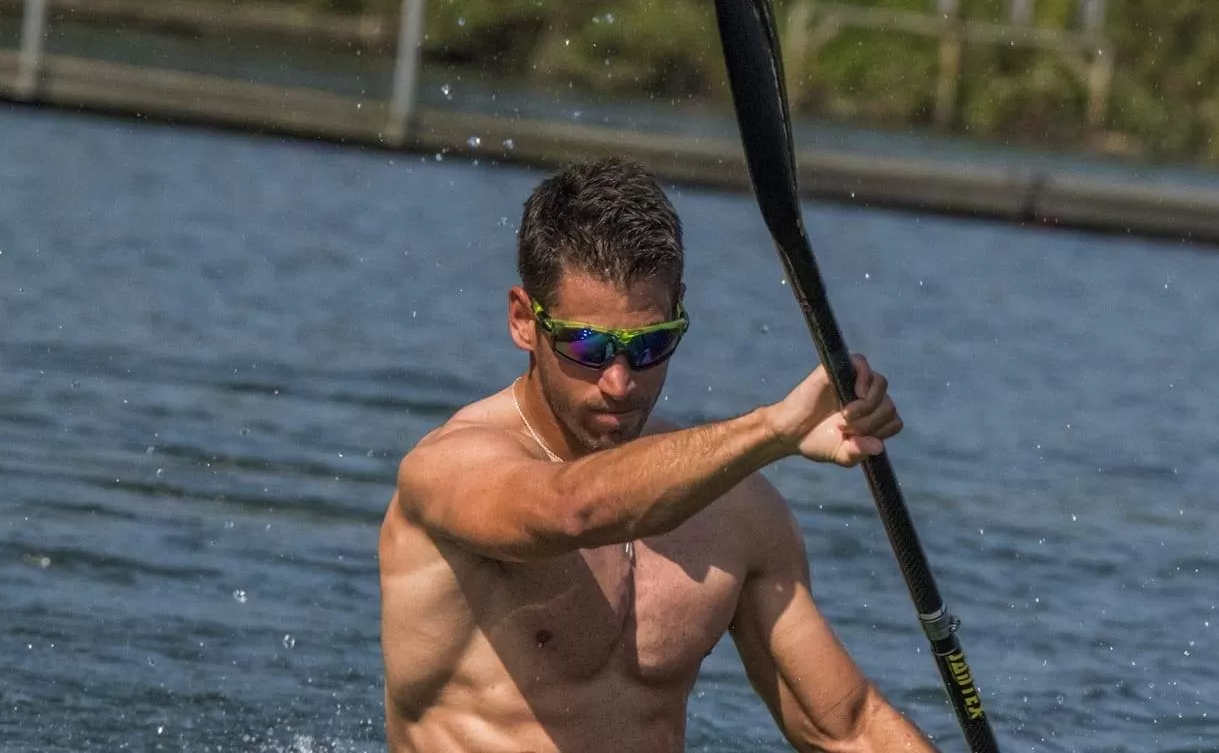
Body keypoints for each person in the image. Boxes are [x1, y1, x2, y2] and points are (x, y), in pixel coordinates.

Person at [379, 157, 938, 752]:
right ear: (523, 321)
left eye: (650, 346)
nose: (620, 383)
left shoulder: (739, 514)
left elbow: (848, 729)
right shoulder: (447, 470)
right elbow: (574, 510)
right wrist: (774, 430)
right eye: (588, 345)